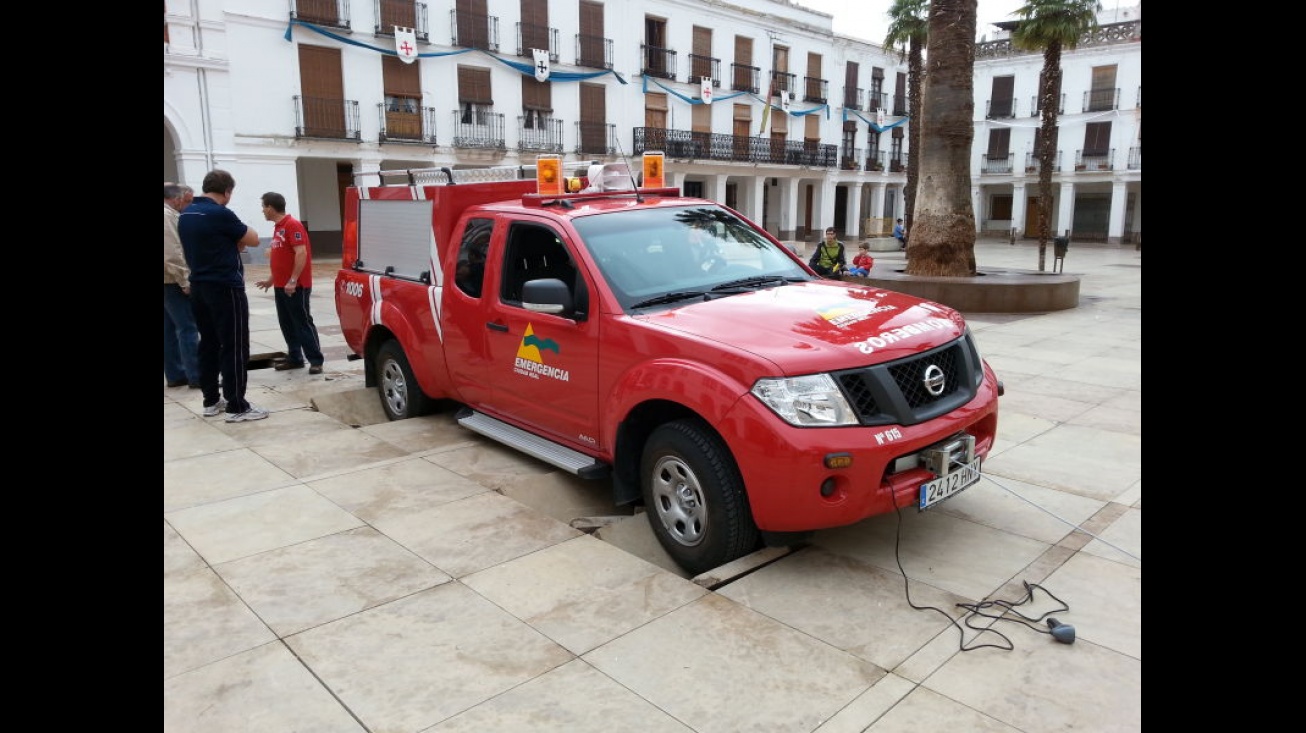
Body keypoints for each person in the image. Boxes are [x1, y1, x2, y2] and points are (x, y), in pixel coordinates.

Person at [179, 169, 267, 422]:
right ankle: (237, 405)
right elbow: (251, 239)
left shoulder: (187, 214)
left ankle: (211, 400)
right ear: (227, 191)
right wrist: (235, 238)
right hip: (225, 287)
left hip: (198, 286)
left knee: (208, 344)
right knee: (235, 345)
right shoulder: (220, 213)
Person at [255, 192, 325, 375]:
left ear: (270, 207)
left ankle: (315, 360)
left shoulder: (292, 225)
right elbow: (282, 259)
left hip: (296, 287)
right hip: (281, 285)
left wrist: (293, 280)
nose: (262, 211)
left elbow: (301, 254)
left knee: (301, 322)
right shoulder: (278, 227)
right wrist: (271, 280)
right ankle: (295, 357)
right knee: (286, 323)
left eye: (263, 207)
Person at [164, 182, 201, 389]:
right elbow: (171, 253)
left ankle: (176, 374)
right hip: (171, 281)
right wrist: (184, 280)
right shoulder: (167, 215)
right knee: (187, 327)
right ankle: (196, 375)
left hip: (166, 281)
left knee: (170, 329)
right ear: (176, 199)